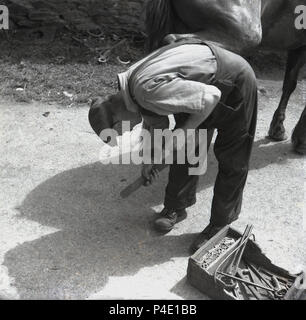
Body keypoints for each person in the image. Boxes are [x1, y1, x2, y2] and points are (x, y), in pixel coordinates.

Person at [88, 34, 258, 253]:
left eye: (123, 130)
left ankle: (219, 225)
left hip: (233, 82)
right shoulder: (131, 88)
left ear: (118, 118)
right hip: (200, 85)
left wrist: (182, 133)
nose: (129, 131)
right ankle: (177, 206)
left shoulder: (146, 91)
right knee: (188, 150)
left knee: (232, 160)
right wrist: (149, 159)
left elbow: (211, 96)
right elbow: (153, 120)